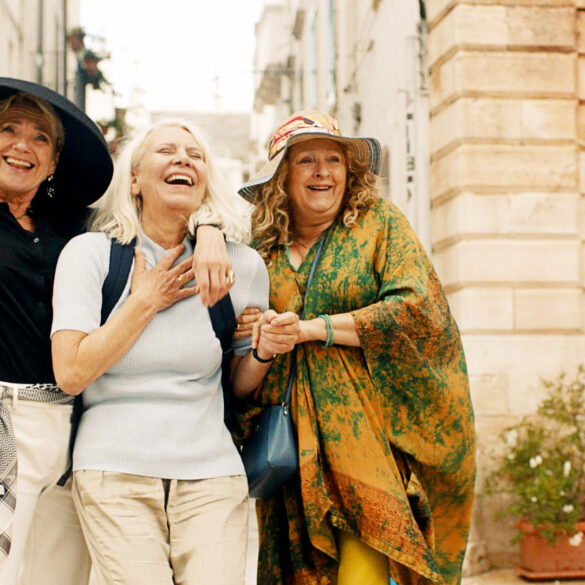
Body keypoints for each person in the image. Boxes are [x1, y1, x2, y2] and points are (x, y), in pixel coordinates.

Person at [50, 119, 300, 585]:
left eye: (196, 154)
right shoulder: (89, 256)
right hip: (113, 471)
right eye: (166, 150)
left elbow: (238, 385)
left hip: (212, 474)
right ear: (134, 180)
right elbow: (71, 372)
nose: (183, 158)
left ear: (205, 181)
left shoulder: (241, 266)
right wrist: (145, 301)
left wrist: (263, 352)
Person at [233, 110, 476, 585]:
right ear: (282, 176)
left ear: (351, 171)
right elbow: (236, 346)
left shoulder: (378, 224)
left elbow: (417, 309)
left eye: (334, 159)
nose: (323, 171)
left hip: (368, 442)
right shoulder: (256, 251)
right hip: (290, 446)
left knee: (364, 570)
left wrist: (311, 329)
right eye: (306, 160)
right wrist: (260, 332)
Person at [0, 77, 113, 585]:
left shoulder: (73, 229)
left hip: (74, 426)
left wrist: (213, 232)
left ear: (53, 161)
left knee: (60, 575)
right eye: (8, 129)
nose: (23, 145)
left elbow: (157, 214)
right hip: (4, 419)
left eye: (40, 137)